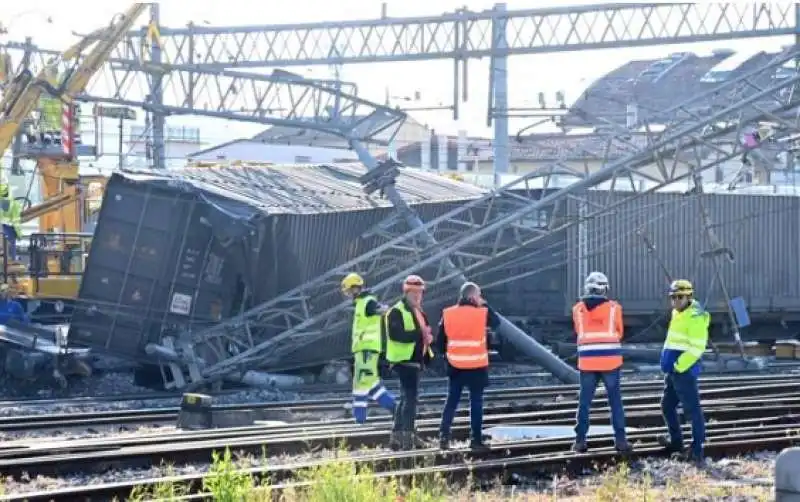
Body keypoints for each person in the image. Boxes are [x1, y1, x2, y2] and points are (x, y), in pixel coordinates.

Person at [571, 271, 631, 454]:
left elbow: (578, 331)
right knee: (615, 403)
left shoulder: (577, 309)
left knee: (584, 403)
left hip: (587, 363)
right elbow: (619, 332)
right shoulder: (614, 308)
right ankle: (620, 441)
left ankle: (580, 441)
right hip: (610, 362)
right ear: (604, 288)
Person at [437, 281, 500, 452]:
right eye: (479, 296)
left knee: (451, 402)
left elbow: (440, 342)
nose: (481, 299)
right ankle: (476, 439)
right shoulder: (482, 313)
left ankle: (443, 436)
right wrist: (485, 304)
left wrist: (449, 355)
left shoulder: (448, 314)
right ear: (473, 296)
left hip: (455, 366)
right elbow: (497, 323)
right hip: (477, 366)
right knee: (476, 403)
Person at [659, 279, 709, 467]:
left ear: (689, 297)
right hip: (673, 372)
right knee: (667, 406)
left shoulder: (695, 317)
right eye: (673, 297)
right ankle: (677, 443)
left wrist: (678, 366)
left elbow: (697, 349)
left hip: (683, 372)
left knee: (692, 410)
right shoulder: (678, 313)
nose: (676, 301)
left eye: (680, 297)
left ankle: (697, 450)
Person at [384, 274, 433, 450]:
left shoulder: (419, 312)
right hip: (403, 361)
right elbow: (397, 335)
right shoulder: (396, 311)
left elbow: (424, 336)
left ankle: (397, 437)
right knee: (410, 400)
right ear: (405, 292)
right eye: (413, 293)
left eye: (420, 292)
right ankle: (408, 437)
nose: (417, 296)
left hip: (414, 362)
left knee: (405, 399)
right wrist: (420, 334)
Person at [340, 272, 397, 424]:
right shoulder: (362, 303)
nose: (348, 295)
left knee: (360, 384)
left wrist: (385, 309)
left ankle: (360, 420)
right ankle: (397, 409)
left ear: (354, 289)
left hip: (367, 350)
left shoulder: (367, 302)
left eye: (348, 291)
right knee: (371, 385)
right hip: (364, 350)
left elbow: (381, 309)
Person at [0, 184, 21, 260]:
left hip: (6, 227)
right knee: (10, 245)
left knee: (8, 245)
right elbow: (16, 221)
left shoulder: (4, 202)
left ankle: (10, 259)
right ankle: (11, 259)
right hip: (9, 227)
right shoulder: (13, 204)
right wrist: (19, 234)